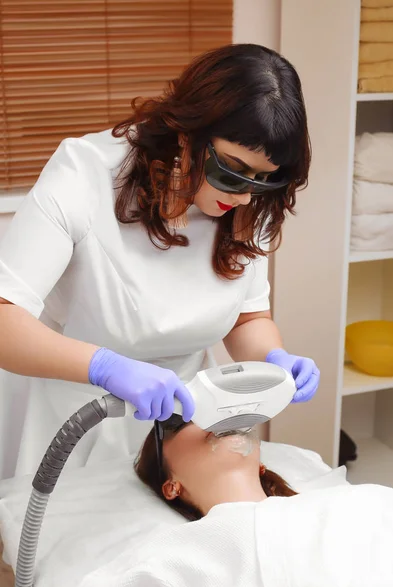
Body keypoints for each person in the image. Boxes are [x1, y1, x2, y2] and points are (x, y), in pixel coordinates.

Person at [0, 43, 320, 480]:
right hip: (74, 418)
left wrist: (274, 357)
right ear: (188, 133)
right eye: (232, 171)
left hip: (184, 426)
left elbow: (247, 319)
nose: (245, 195)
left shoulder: (243, 202)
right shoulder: (84, 176)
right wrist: (106, 367)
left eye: (263, 180)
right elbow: (5, 321)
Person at [128, 418, 393, 587]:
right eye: (182, 420)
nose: (213, 417)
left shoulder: (359, 502)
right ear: (171, 487)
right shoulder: (173, 554)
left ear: (260, 465)